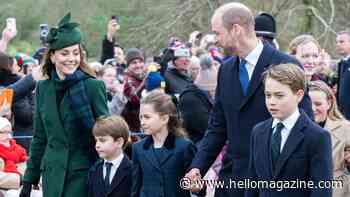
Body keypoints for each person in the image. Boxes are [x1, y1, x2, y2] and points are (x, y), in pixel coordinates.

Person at [184, 3, 313, 197]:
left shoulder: (286, 64)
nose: (215, 40)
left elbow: (305, 127)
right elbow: (217, 127)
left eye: (217, 33)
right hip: (233, 181)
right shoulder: (226, 71)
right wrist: (197, 167)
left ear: (236, 29)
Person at [19, 13, 109, 197]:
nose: (71, 58)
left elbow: (106, 133)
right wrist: (29, 179)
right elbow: (40, 138)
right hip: (52, 175)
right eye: (64, 53)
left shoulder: (93, 86)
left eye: (76, 53)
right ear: (52, 57)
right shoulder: (43, 88)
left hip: (84, 173)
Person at [246, 64, 332, 197]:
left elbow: (321, 190)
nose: (272, 102)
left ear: (299, 95)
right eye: (268, 95)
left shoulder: (317, 136)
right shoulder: (258, 132)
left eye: (279, 96)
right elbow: (252, 183)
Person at [132, 90, 196, 197]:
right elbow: (136, 187)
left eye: (147, 117)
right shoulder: (138, 148)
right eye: (141, 117)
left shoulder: (184, 147)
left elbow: (197, 185)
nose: (142, 122)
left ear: (164, 118)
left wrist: (196, 188)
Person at [309, 80, 350, 197]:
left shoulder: (345, 128)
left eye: (318, 104)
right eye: (309, 104)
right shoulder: (293, 127)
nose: (312, 109)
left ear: (329, 103)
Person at [88, 115, 132, 197]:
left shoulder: (133, 171)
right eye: (96, 140)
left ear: (119, 142)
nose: (97, 145)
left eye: (102, 140)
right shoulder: (94, 170)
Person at [121, 48, 147, 132]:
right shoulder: (127, 81)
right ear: (128, 65)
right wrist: (146, 81)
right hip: (133, 129)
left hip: (143, 123)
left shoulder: (143, 77)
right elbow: (135, 98)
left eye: (140, 62)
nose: (138, 65)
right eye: (134, 63)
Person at [335, 30, 350, 120]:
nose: (338, 45)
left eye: (341, 42)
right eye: (337, 42)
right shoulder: (341, 63)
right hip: (342, 115)